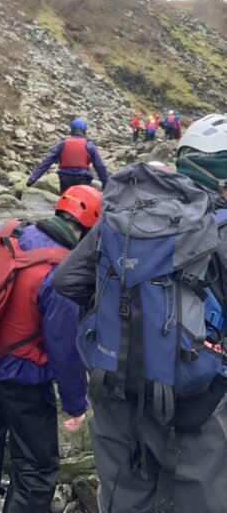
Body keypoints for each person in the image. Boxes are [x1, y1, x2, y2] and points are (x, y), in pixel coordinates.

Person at [51, 115, 227, 513]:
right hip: (196, 393)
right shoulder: (220, 228)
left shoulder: (124, 218)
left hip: (114, 383)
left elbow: (65, 281)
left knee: (124, 496)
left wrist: (118, 319)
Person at [0, 185, 102, 513]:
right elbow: (64, 349)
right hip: (23, 374)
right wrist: (76, 403)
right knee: (37, 467)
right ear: (90, 230)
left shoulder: (12, 230)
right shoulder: (64, 272)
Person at [26, 118, 108, 193]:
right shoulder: (89, 145)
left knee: (66, 198)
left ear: (72, 130)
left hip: (65, 179)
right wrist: (105, 183)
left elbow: (47, 161)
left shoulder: (63, 144)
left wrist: (33, 179)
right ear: (84, 131)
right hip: (83, 179)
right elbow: (99, 166)